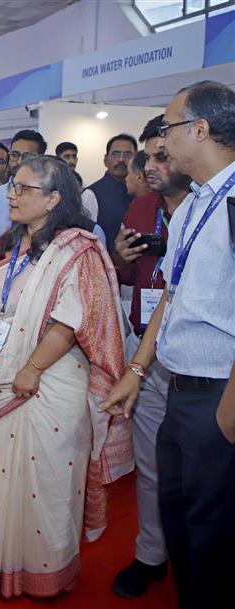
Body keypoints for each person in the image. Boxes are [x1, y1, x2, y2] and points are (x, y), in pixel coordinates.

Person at [0, 155, 132, 598]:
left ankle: (39, 572)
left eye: (23, 189)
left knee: (41, 480)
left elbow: (70, 322)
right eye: (12, 185)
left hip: (47, 385)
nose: (11, 194)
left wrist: (30, 370)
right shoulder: (14, 243)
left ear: (53, 199)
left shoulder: (78, 250)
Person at [101, 80, 235, 609]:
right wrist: (136, 371)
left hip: (217, 396)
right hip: (178, 389)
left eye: (170, 125)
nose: (162, 138)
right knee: (181, 519)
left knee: (215, 533)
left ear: (200, 130)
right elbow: (169, 296)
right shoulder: (196, 202)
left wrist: (229, 408)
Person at [110, 113, 191, 600]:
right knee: (150, 467)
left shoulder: (208, 208)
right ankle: (150, 554)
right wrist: (120, 256)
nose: (152, 165)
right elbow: (127, 278)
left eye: (162, 155)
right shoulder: (141, 207)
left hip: (197, 362)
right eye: (148, 157)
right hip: (146, 351)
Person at [0, 129, 47, 293]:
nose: (19, 161)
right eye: (14, 155)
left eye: (27, 157)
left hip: (33, 286)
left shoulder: (47, 200)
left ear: (41, 158)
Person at [85, 133, 138, 254]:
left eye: (127, 154)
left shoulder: (145, 193)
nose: (121, 160)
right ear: (105, 159)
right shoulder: (91, 194)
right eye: (115, 154)